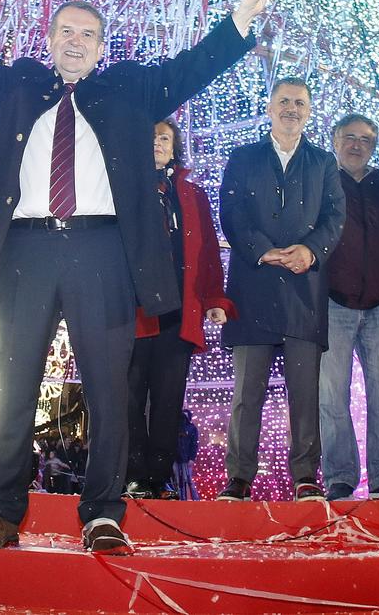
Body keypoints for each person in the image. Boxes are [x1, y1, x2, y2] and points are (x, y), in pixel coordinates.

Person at [0, 0, 274, 556]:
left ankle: (103, 512)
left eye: (88, 35)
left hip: (105, 252)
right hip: (26, 250)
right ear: (49, 41)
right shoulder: (17, 84)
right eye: (67, 32)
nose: (77, 43)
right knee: (13, 386)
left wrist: (241, 16)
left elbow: (193, 69)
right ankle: (1, 512)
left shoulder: (129, 90)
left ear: (102, 47)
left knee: (109, 388)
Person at [219, 78, 346, 501]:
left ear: (309, 111)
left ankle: (306, 477)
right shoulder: (242, 158)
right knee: (246, 394)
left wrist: (312, 251)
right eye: (284, 101)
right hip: (253, 289)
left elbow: (334, 216)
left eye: (300, 103)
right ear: (270, 108)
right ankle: (239, 478)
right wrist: (262, 251)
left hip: (303, 292)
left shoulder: (324, 162)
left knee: (305, 395)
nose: (292, 108)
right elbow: (231, 212)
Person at [122, 119, 231, 498]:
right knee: (131, 397)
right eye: (151, 137)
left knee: (168, 401)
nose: (157, 143)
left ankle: (159, 476)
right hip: (133, 312)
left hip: (177, 313)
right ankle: (133, 474)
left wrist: (215, 300)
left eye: (164, 138)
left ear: (174, 147)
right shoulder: (121, 188)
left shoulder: (191, 195)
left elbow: (208, 253)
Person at [316, 113, 379, 501]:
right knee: (331, 394)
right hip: (333, 303)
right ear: (334, 140)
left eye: (365, 139)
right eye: (349, 137)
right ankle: (339, 477)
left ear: (374, 146)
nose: (356, 145)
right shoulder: (320, 180)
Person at [172, 408, 200, 500]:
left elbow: (194, 444)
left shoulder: (192, 428)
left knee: (188, 480)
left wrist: (192, 458)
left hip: (186, 458)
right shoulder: (176, 428)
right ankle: (180, 498)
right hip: (176, 457)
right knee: (177, 479)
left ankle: (195, 499)